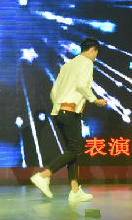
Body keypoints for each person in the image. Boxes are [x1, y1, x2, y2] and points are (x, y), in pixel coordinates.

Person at [30, 37, 108, 203]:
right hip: (70, 111)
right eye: (96, 53)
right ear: (93, 49)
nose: (95, 57)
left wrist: (59, 105)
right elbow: (82, 85)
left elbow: (53, 92)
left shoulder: (67, 65)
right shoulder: (86, 62)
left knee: (72, 151)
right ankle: (43, 176)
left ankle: (75, 190)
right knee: (75, 149)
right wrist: (95, 100)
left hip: (59, 112)